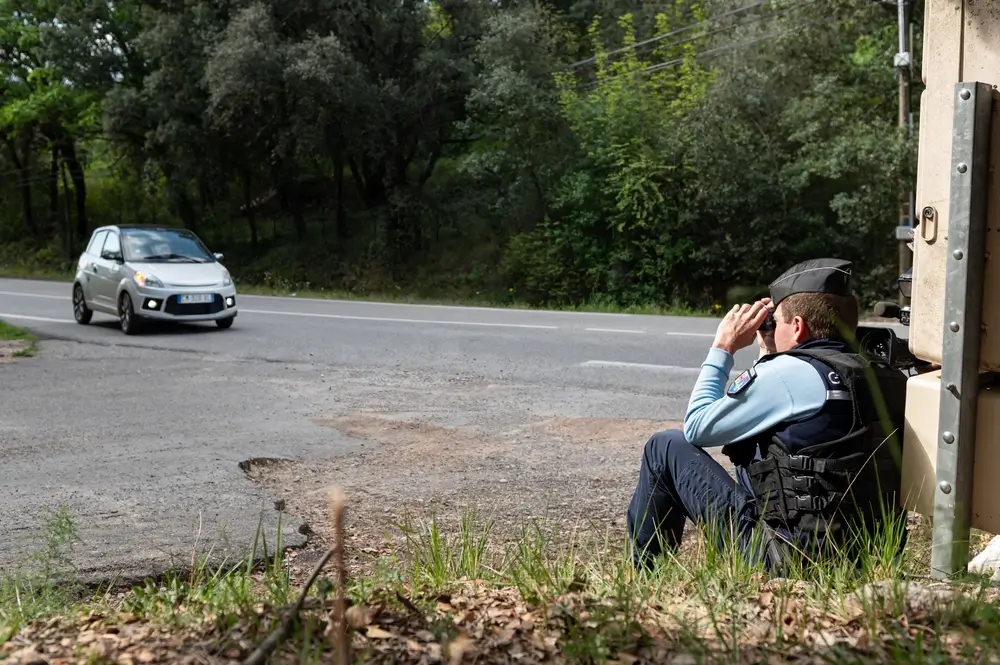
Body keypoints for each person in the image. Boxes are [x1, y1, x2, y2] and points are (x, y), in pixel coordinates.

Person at [626, 258, 908, 572]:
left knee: (664, 447)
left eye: (779, 322)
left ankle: (645, 578)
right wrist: (768, 355)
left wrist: (724, 347)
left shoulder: (788, 374)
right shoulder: (888, 377)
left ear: (798, 327)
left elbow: (697, 427)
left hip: (787, 560)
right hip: (869, 559)